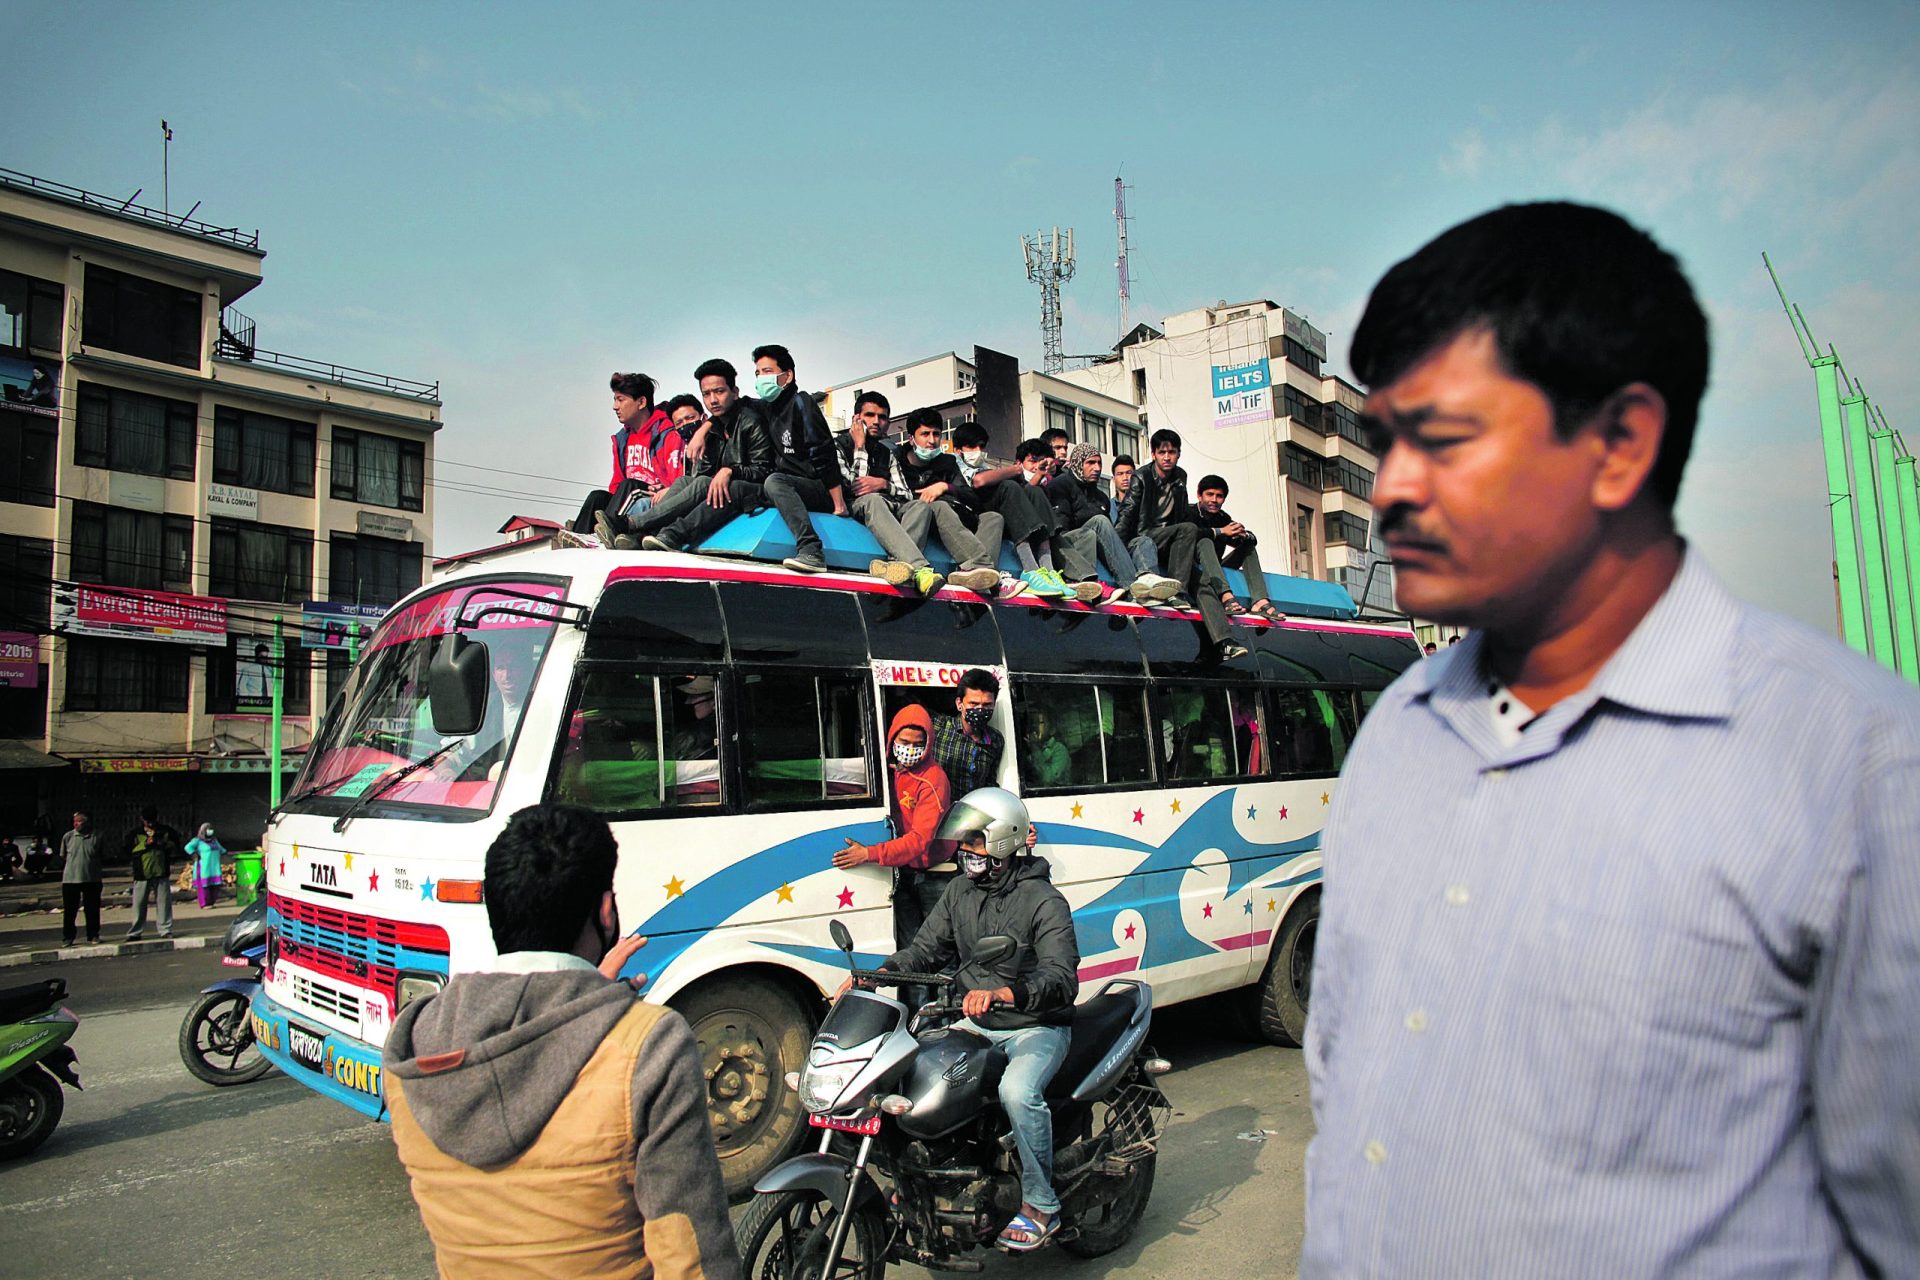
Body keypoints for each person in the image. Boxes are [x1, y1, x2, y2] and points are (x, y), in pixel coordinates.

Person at [1302, 201, 1920, 1278]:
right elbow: (1346, 1086)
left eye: (1440, 439)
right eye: (1380, 442)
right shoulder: (1397, 731)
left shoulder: (1856, 773)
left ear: (1621, 443)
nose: (1391, 487)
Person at [384, 803, 742, 1280]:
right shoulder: (649, 1045)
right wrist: (603, 1007)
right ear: (606, 912)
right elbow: (691, 1256)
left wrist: (591, 997)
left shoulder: (414, 1039)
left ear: (497, 905)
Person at [866, 787, 1079, 1251]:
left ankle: (1042, 1205)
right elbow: (927, 949)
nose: (966, 853)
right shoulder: (960, 891)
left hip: (1035, 1025)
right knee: (912, 1077)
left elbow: (1062, 977)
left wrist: (1007, 992)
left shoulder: (1043, 900)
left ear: (1005, 842)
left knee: (1017, 1093)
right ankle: (927, 1183)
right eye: (964, 844)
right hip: (975, 1023)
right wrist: (878, 975)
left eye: (976, 843)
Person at [831, 705, 955, 984]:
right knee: (910, 955)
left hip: (936, 874)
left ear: (928, 745)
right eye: (903, 743)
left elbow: (919, 841)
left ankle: (945, 1018)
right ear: (891, 741)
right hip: (906, 873)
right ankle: (913, 1020)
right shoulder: (892, 773)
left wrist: (869, 854)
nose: (909, 749)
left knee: (942, 955)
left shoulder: (933, 779)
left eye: (917, 744)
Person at [1115, 429, 1246, 660]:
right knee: (1188, 529)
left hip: (1172, 544)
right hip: (1145, 538)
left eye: (1172, 452)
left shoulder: (1180, 477)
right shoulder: (1141, 477)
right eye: (1162, 452)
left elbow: (1182, 516)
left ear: (1178, 454)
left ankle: (1224, 642)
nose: (1167, 457)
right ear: (1153, 454)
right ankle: (1176, 591)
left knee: (1203, 582)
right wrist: (1116, 548)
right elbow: (1127, 514)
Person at [637, 359, 777, 556]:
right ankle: (643, 533)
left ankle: (657, 530)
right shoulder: (712, 430)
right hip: (726, 485)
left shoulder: (751, 421)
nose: (713, 400)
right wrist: (704, 431)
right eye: (706, 394)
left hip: (753, 489)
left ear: (734, 392)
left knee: (707, 483)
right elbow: (705, 473)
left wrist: (730, 471)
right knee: (685, 481)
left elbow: (765, 470)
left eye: (719, 392)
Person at [834, 390, 955, 596]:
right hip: (857, 507)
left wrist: (883, 484)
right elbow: (855, 488)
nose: (876, 422)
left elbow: (906, 494)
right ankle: (919, 568)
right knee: (871, 499)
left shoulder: (886, 453)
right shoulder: (838, 444)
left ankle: (895, 566)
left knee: (919, 506)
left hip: (886, 504)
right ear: (856, 418)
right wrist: (860, 447)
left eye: (882, 417)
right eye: (869, 415)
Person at [890, 409, 1008, 596]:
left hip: (955, 519)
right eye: (925, 434)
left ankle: (979, 581)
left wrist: (945, 486)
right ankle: (981, 566)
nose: (932, 440)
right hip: (919, 518)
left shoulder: (947, 462)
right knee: (937, 505)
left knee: (993, 517)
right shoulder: (895, 459)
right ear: (911, 438)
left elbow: (972, 498)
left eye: (936, 434)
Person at [751, 344, 847, 573]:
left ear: (787, 375)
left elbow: (822, 450)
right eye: (757, 373)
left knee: (775, 481)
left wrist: (838, 502)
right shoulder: (767, 408)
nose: (760, 378)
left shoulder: (802, 402)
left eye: (767, 371)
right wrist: (706, 428)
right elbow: (735, 406)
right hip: (790, 488)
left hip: (817, 486)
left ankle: (811, 550)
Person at [1046, 441, 1180, 604]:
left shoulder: (1101, 497)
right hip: (1070, 546)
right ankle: (1132, 588)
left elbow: (1110, 538)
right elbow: (1060, 532)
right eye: (1090, 463)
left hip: (1099, 544)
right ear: (1077, 463)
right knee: (1099, 522)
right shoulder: (1060, 485)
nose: (1096, 468)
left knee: (1142, 541)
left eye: (1099, 463)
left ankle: (1148, 581)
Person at [953, 423, 1072, 599]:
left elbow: (1026, 491)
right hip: (975, 514)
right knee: (1009, 486)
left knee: (1035, 491)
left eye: (982, 446)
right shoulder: (952, 464)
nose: (978, 451)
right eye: (971, 446)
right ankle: (1030, 570)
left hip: (1005, 515)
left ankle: (1047, 570)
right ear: (957, 449)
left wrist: (1039, 475)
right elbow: (978, 481)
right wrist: (1015, 470)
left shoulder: (985, 466)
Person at [582, 372, 682, 541]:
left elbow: (677, 480)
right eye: (615, 399)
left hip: (654, 497)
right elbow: (616, 486)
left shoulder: (666, 432)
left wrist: (664, 490)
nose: (615, 406)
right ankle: (581, 538)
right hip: (628, 497)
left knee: (630, 486)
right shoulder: (622, 439)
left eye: (620, 400)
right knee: (597, 497)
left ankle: (604, 536)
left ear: (641, 402)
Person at [1192, 474, 1286, 619]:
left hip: (1216, 568)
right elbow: (1187, 535)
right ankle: (1225, 596)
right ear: (1199, 495)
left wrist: (1245, 535)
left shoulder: (1223, 518)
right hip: (1195, 570)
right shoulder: (1189, 513)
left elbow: (1248, 540)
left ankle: (1260, 601)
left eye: (1219, 496)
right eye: (1209, 495)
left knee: (1248, 547)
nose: (1214, 500)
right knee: (1205, 541)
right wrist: (1220, 531)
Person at [932, 668, 1005, 799]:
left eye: (987, 705)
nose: (980, 710)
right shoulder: (938, 727)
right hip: (941, 812)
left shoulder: (995, 740)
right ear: (959, 704)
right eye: (973, 703)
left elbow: (990, 784)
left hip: (973, 813)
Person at [125, 805, 179, 941]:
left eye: (152, 820)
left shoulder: (165, 831)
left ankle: (165, 929)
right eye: (147, 821)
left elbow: (175, 846)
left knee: (163, 903)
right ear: (142, 819)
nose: (150, 823)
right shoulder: (135, 834)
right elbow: (127, 851)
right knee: (139, 904)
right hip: (142, 873)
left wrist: (160, 843)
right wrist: (145, 845)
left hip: (161, 872)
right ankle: (135, 932)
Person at [59, 812, 103, 946]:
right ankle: (68, 937)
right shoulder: (68, 836)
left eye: (79, 822)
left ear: (86, 823)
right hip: (71, 879)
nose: (76, 824)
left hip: (92, 878)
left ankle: (93, 935)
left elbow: (100, 854)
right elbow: (63, 855)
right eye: (74, 822)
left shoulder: (96, 836)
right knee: (70, 910)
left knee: (92, 909)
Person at [185, 823, 226, 908]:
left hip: (214, 868)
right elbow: (188, 847)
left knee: (215, 886)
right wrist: (194, 854)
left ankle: (211, 902)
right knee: (204, 886)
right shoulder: (198, 841)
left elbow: (222, 850)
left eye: (211, 829)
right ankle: (204, 903)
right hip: (204, 867)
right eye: (208, 829)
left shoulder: (214, 841)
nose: (210, 831)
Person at [1108, 454, 1136, 523]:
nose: (1125, 478)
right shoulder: (1108, 507)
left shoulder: (1144, 503)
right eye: (1120, 474)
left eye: (1129, 473)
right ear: (1113, 479)